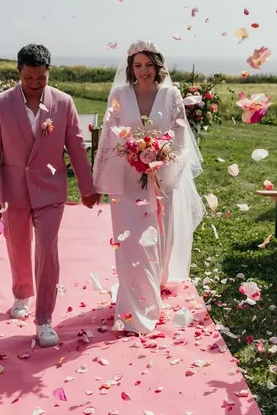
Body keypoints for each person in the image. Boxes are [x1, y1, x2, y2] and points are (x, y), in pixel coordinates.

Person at [0, 44, 99, 347]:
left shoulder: (63, 102)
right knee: (18, 246)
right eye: (29, 78)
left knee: (47, 250)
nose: (35, 84)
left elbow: (75, 147)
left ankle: (44, 319)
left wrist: (87, 188)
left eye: (41, 78)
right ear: (19, 72)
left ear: (49, 73)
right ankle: (21, 294)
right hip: (13, 191)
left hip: (51, 190)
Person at [92, 40, 205, 334]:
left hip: (160, 179)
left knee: (156, 239)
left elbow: (180, 136)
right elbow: (108, 135)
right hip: (127, 180)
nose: (144, 71)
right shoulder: (119, 94)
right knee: (129, 241)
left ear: (158, 66)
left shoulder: (170, 95)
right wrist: (108, 172)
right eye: (138, 66)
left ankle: (151, 292)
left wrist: (162, 158)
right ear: (130, 68)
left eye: (149, 65)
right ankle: (132, 304)